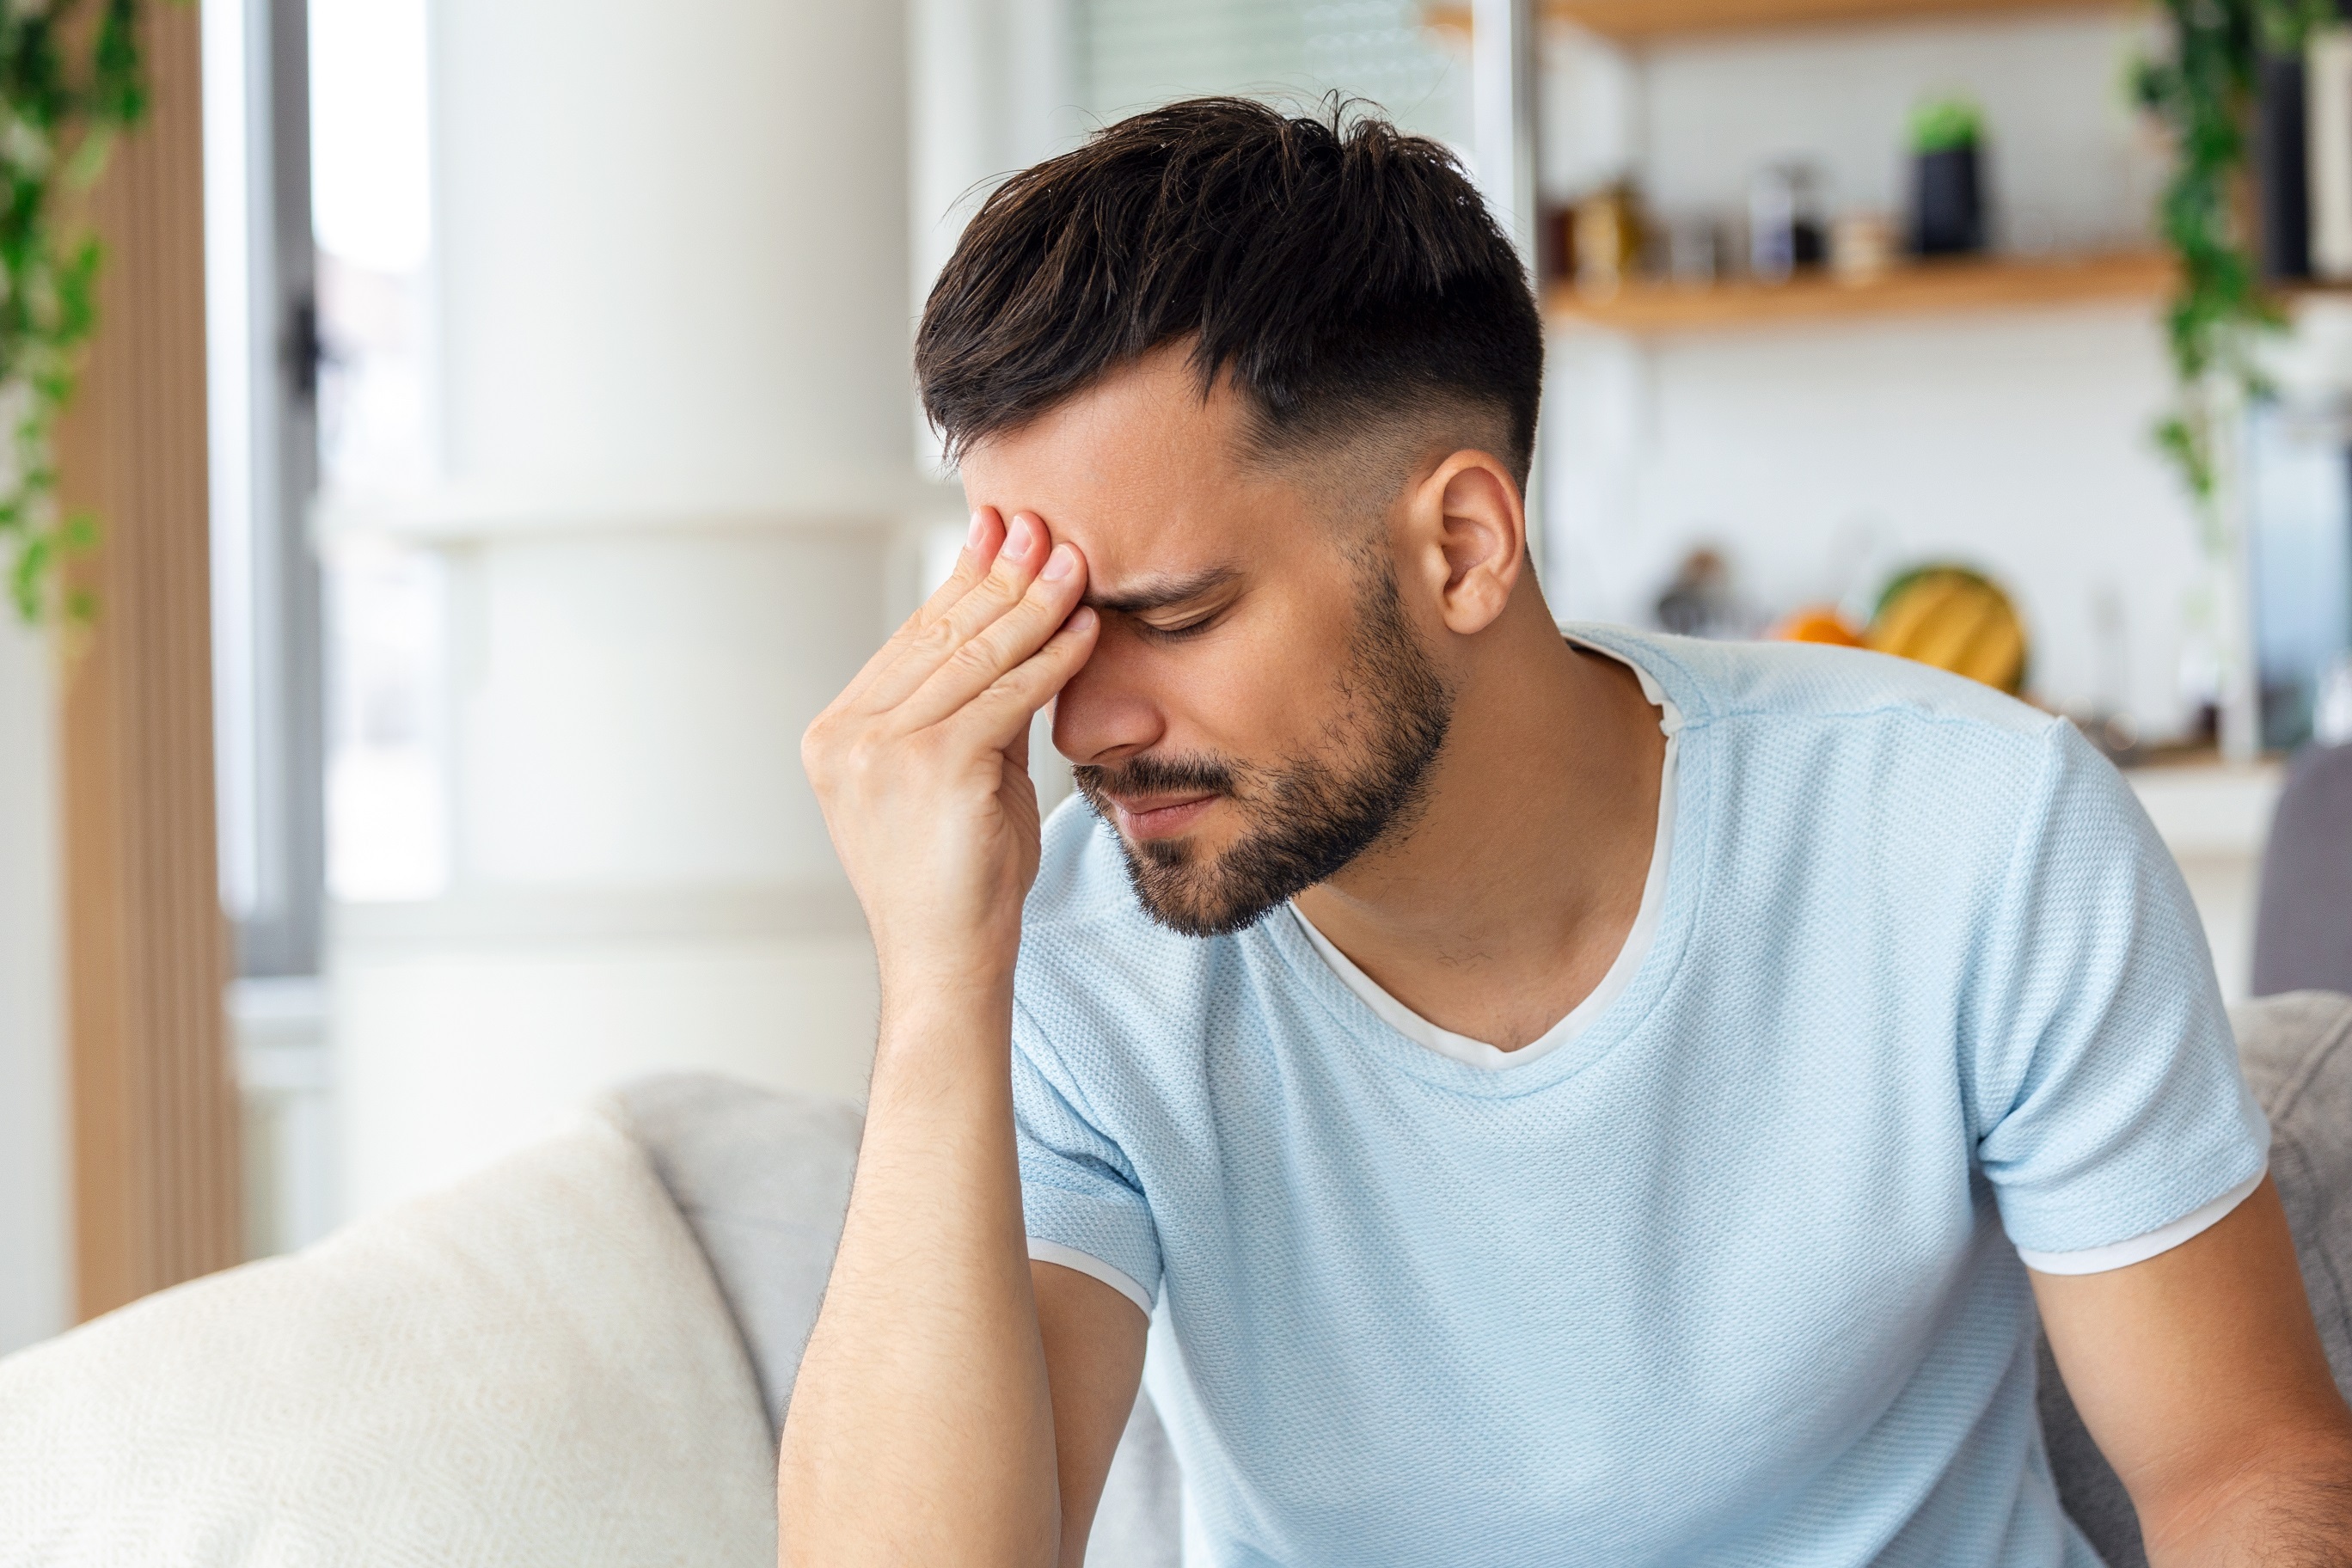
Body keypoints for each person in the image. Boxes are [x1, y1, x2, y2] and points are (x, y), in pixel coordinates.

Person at [779, 98, 2352, 1566]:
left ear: (1463, 543)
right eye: (1039, 630)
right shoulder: (1073, 950)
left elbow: (2238, 1466)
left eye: (1171, 616)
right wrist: (938, 984)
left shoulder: (1978, 835)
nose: (1081, 726)